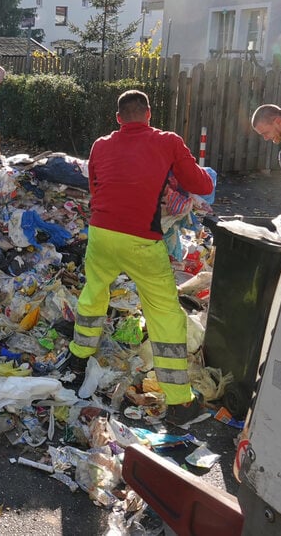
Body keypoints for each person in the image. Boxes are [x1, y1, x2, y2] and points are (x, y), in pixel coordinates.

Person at [70, 90, 214, 426]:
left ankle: (78, 358)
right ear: (148, 114)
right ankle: (179, 402)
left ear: (118, 118)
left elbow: (96, 186)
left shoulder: (100, 145)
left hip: (101, 233)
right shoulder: (168, 142)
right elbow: (202, 185)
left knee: (94, 293)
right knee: (164, 313)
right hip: (141, 240)